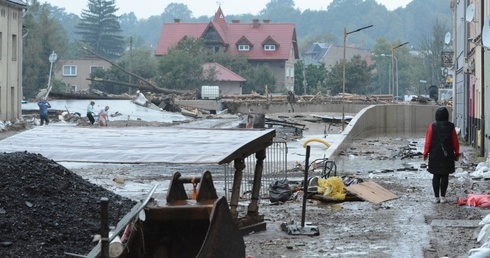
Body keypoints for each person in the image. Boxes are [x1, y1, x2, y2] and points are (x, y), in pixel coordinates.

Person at [423, 106, 461, 204]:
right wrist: (457, 153)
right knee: (445, 176)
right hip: (447, 154)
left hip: (435, 154)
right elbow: (455, 142)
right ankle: (443, 197)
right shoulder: (451, 126)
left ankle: (436, 197)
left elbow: (428, 141)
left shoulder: (432, 126)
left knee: (436, 176)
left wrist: (425, 153)